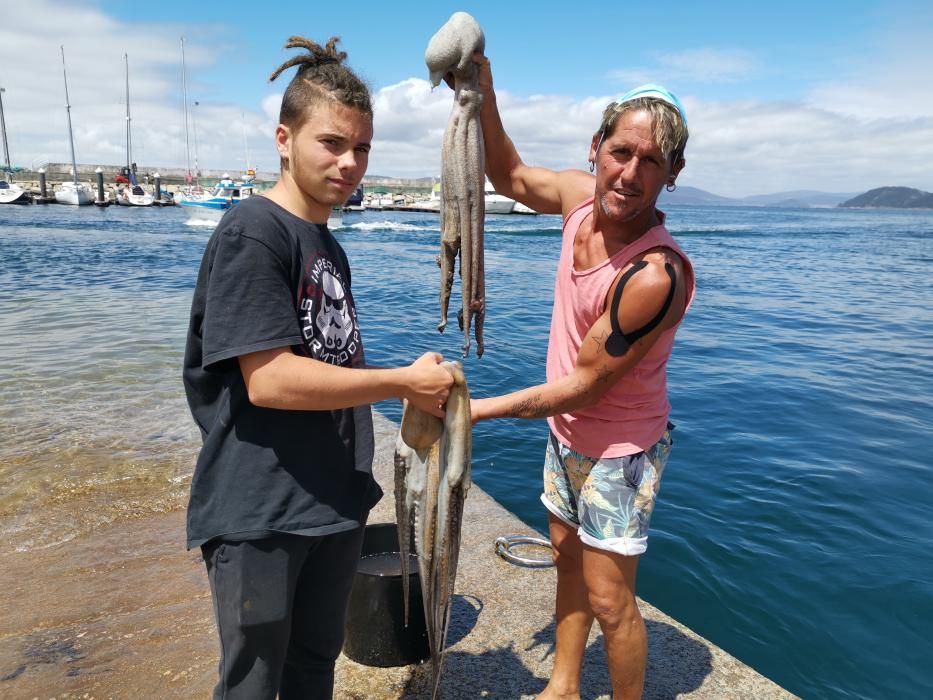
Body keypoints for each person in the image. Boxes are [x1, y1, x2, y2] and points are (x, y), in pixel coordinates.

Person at [182, 36, 454, 700]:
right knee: (252, 679)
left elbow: (332, 364)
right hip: (261, 510)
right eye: (331, 143)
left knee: (314, 667)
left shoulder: (328, 244)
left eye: (361, 147)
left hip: (332, 502)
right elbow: (269, 379)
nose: (349, 162)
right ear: (284, 137)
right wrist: (398, 381)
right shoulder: (253, 231)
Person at [468, 55, 696, 700]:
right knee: (566, 561)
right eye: (621, 151)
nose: (630, 173)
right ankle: (563, 686)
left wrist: (475, 411)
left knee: (609, 597)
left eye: (651, 161)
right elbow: (507, 173)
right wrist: (484, 92)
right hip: (565, 436)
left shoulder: (653, 274)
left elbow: (585, 385)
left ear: (672, 174)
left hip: (619, 450)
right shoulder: (576, 199)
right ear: (596, 148)